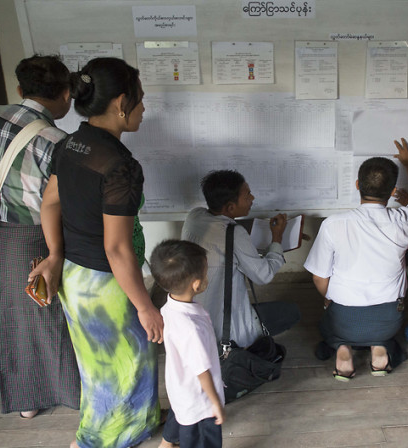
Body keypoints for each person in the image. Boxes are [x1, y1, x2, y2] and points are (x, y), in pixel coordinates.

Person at [30, 57, 161, 448]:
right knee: (125, 364)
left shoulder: (70, 142)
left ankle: (131, 426)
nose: (143, 108)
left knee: (98, 365)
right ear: (121, 103)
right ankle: (99, 440)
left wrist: (55, 254)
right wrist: (144, 305)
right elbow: (117, 247)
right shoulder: (121, 166)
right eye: (140, 100)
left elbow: (49, 203)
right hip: (107, 286)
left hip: (74, 276)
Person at [0, 54, 80, 419]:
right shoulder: (57, 141)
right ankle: (68, 390)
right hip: (36, 238)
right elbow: (61, 204)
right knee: (50, 315)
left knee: (10, 317)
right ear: (67, 93)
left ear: (20, 88)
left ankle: (27, 400)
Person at [303, 143, 408, 380]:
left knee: (331, 326)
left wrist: (330, 300)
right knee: (379, 326)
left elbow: (319, 277)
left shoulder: (333, 224)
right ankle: (379, 348)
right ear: (392, 192)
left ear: (358, 186)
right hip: (389, 320)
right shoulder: (405, 221)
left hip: (342, 320)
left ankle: (342, 349)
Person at [181, 170, 300, 349]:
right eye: (247, 195)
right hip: (228, 332)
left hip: (195, 321)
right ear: (230, 207)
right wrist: (277, 238)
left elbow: (223, 230)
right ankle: (249, 343)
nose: (252, 198)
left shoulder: (194, 216)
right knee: (291, 312)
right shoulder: (235, 233)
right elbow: (263, 276)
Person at [151, 240, 225, 448]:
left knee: (180, 414)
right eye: (206, 272)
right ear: (196, 284)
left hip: (180, 387)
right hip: (200, 401)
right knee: (202, 439)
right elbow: (202, 371)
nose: (207, 276)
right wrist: (215, 403)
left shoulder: (170, 306)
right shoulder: (190, 328)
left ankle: (166, 444)